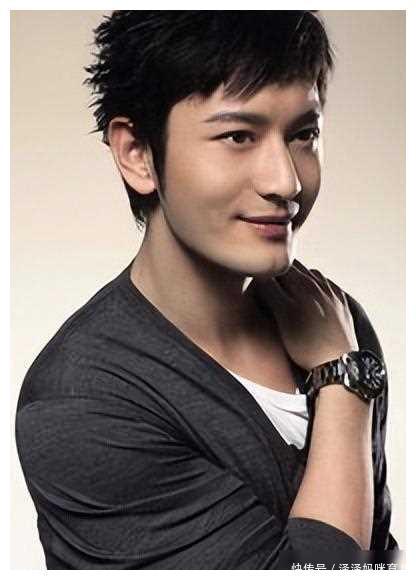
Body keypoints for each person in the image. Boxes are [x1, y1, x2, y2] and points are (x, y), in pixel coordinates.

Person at [15, 11, 399, 569]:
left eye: (303, 134)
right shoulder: (81, 403)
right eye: (238, 136)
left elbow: (379, 556)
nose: (286, 181)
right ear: (137, 153)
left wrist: (344, 367)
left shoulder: (336, 324)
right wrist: (344, 386)